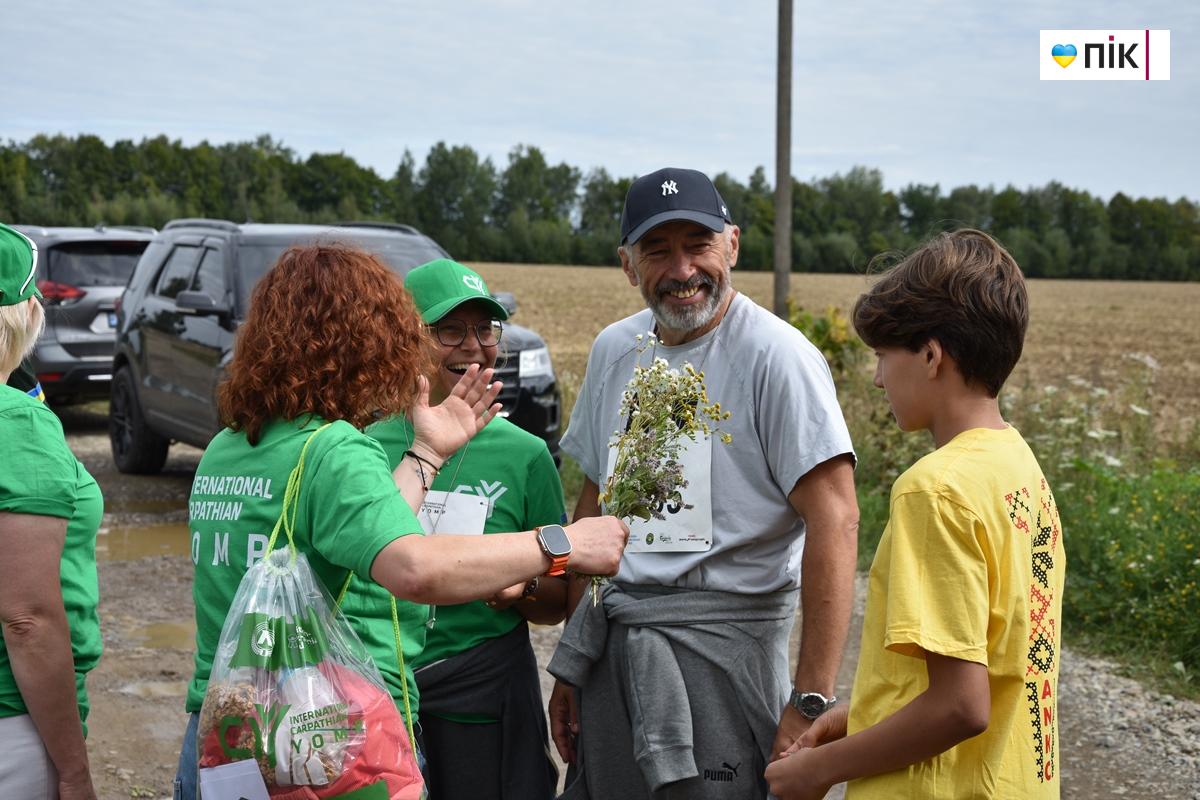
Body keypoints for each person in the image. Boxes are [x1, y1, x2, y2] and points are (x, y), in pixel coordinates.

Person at [175, 243, 627, 799]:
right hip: (319, 738)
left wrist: (427, 455)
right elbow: (415, 567)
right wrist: (565, 542)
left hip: (225, 732)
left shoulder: (228, 446)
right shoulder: (336, 448)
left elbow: (353, 530)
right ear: (360, 342)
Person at [547, 168, 859, 798]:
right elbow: (593, 506)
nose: (682, 268)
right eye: (658, 250)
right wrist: (573, 668)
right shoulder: (616, 350)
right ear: (628, 266)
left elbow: (837, 520)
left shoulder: (777, 357)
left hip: (726, 654)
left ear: (733, 245)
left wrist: (810, 700)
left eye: (699, 244)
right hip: (617, 651)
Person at [764, 229, 1066, 800]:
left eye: (883, 356)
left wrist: (817, 770)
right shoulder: (1020, 467)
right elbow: (983, 669)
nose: (877, 378)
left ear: (931, 356)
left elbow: (959, 707)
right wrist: (860, 715)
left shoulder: (934, 490)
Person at [342, 258, 565, 799]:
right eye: (450, 330)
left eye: (485, 329)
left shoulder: (527, 455)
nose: (473, 345)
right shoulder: (363, 445)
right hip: (380, 688)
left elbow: (560, 594)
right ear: (407, 340)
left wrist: (523, 588)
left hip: (484, 697)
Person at [0, 222, 101, 800]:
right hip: (11, 720)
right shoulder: (18, 422)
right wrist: (73, 769)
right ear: (23, 312)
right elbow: (26, 620)